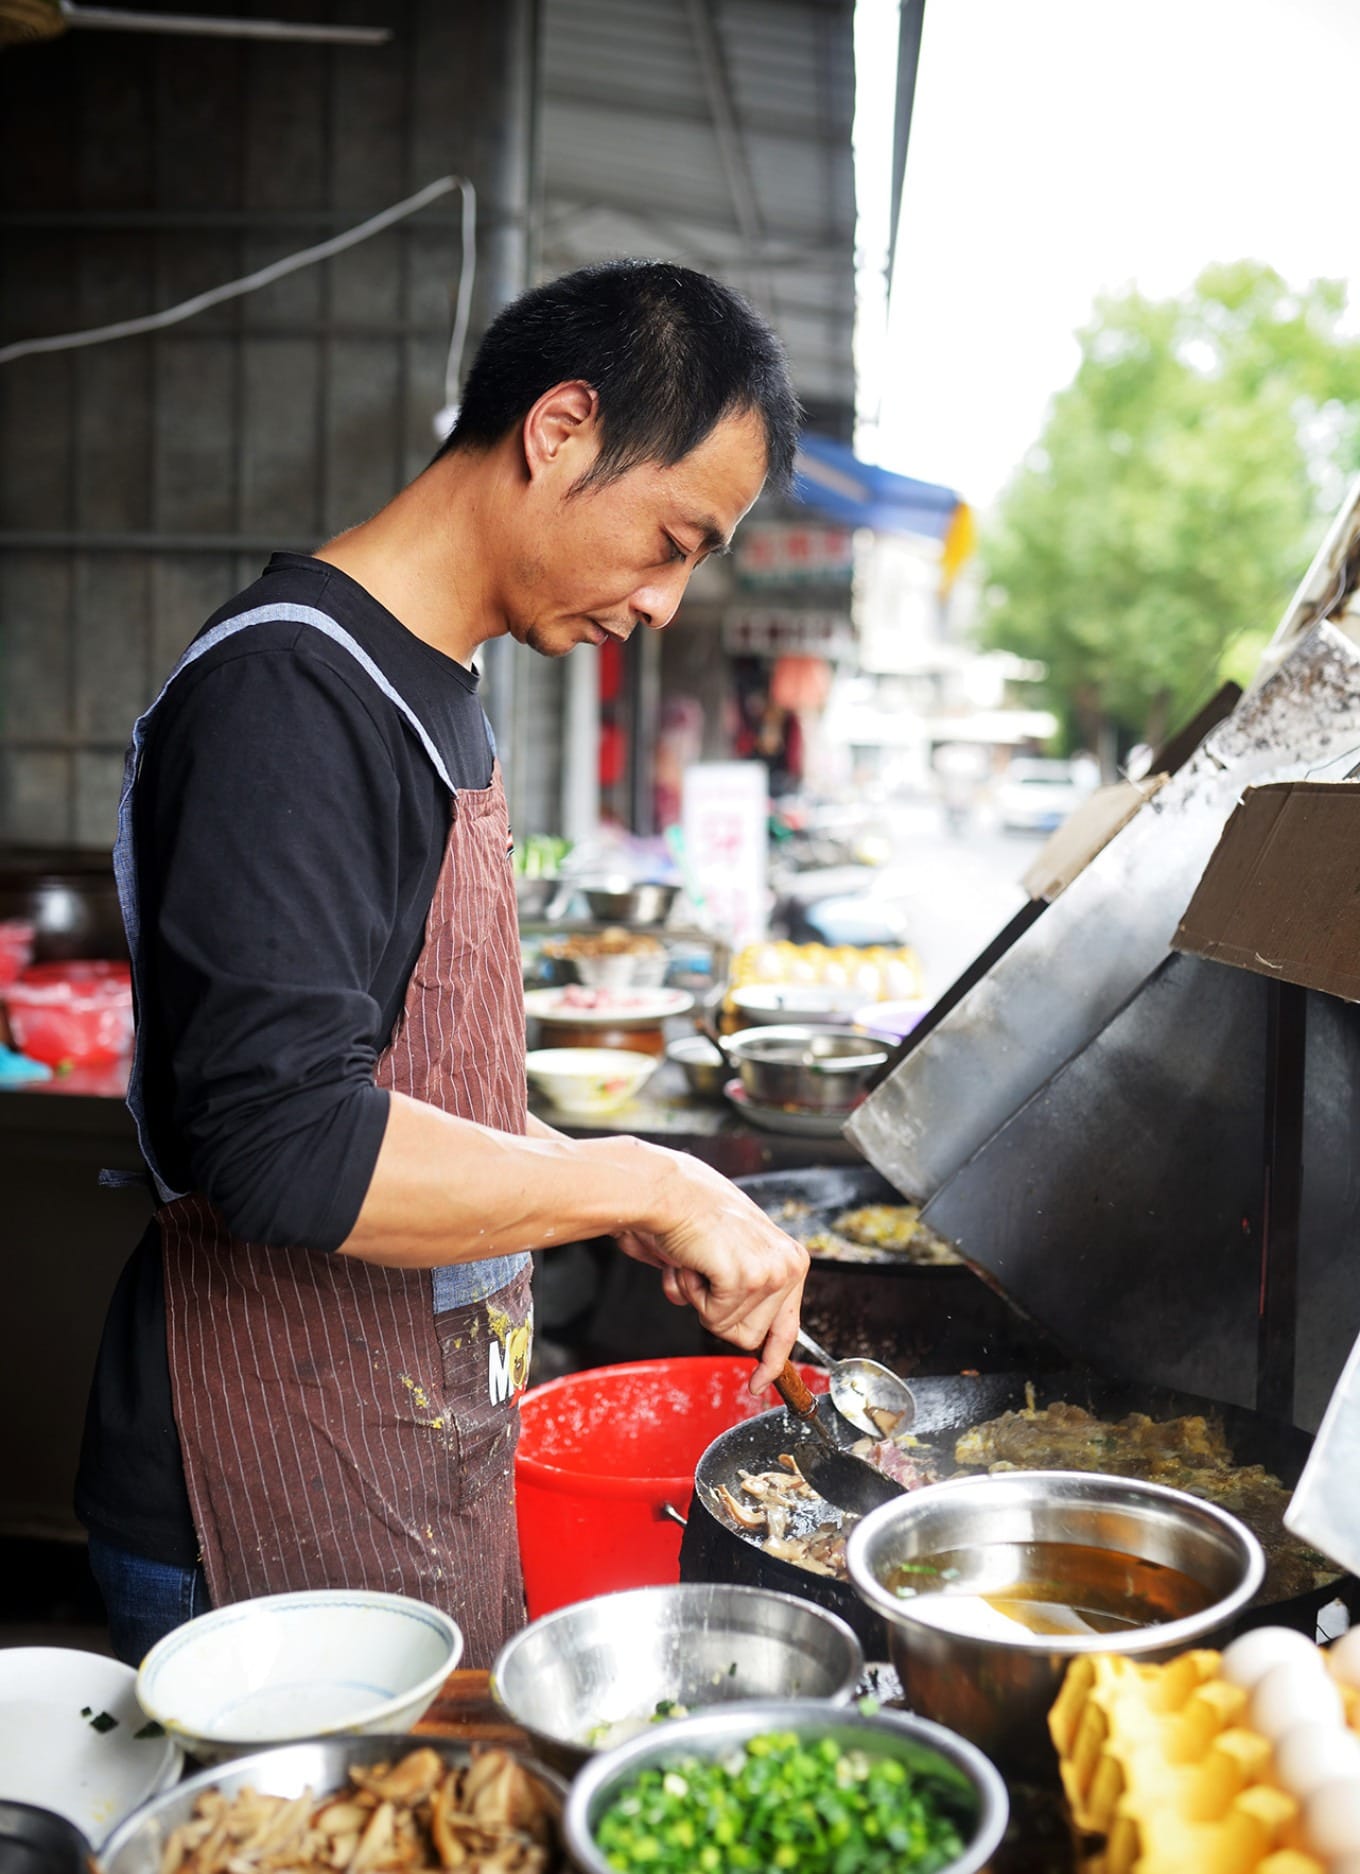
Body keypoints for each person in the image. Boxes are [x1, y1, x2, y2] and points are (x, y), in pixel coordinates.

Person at [75, 261, 810, 1668]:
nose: (667, 602)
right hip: (257, 1480)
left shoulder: (440, 689)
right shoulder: (293, 694)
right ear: (562, 430)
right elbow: (286, 1144)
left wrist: (614, 1196)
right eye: (673, 540)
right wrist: (645, 1178)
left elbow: (419, 1090)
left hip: (400, 1439)